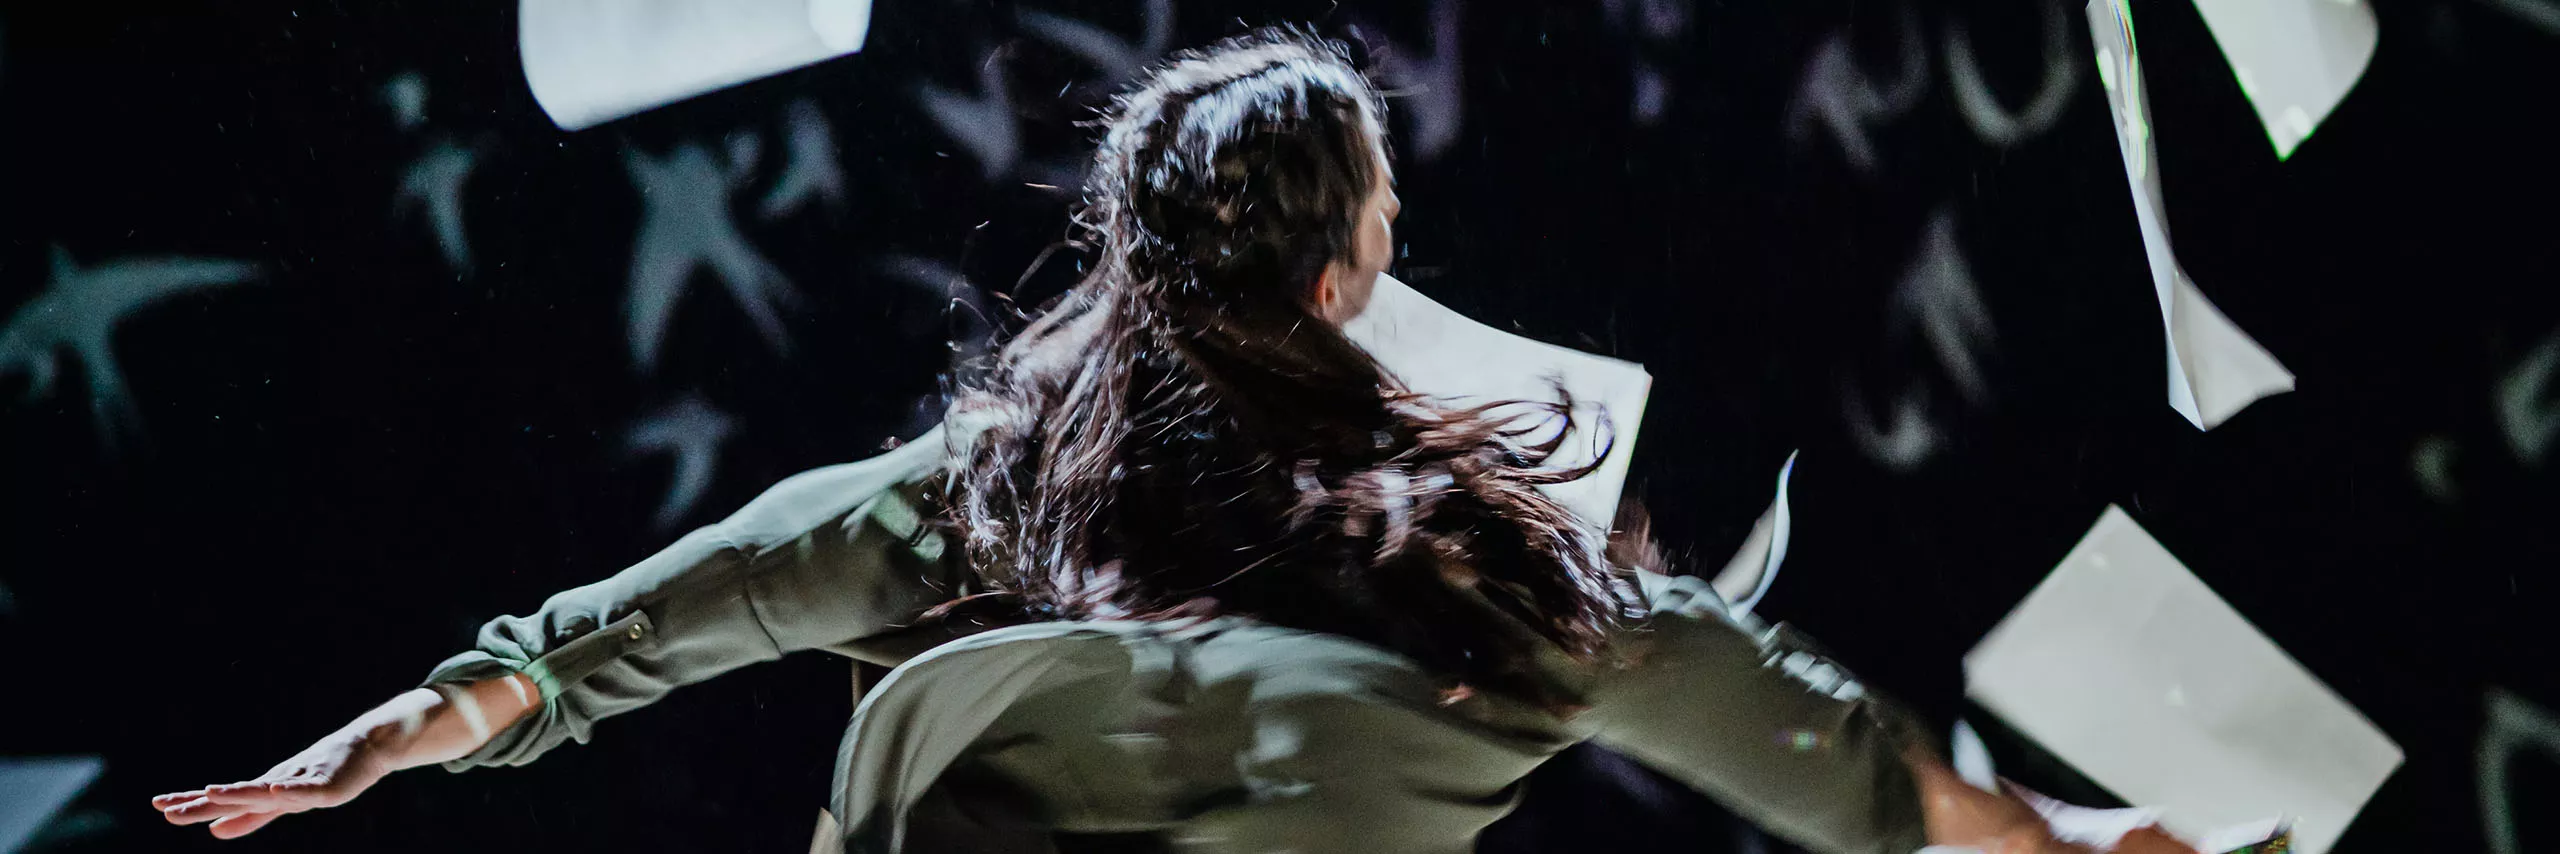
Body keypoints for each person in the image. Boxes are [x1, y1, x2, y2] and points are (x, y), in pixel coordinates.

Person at [154, 28, 2197, 854]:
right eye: (1384, 230)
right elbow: (1827, 758)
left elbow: (645, 621)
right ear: (1340, 279)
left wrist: (406, 730)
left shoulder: (975, 498)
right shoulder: (1496, 572)